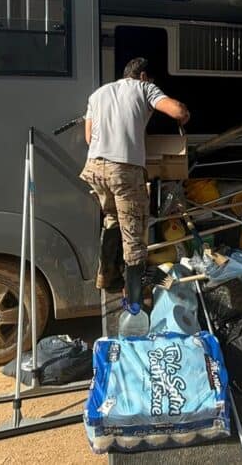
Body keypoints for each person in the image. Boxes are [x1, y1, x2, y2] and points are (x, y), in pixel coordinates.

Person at [80, 57, 189, 310]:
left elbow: (88, 137)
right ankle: (136, 302)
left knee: (112, 219)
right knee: (134, 236)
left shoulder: (98, 94)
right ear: (143, 76)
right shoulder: (144, 88)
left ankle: (106, 278)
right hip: (124, 172)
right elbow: (177, 111)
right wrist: (185, 114)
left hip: (95, 168)